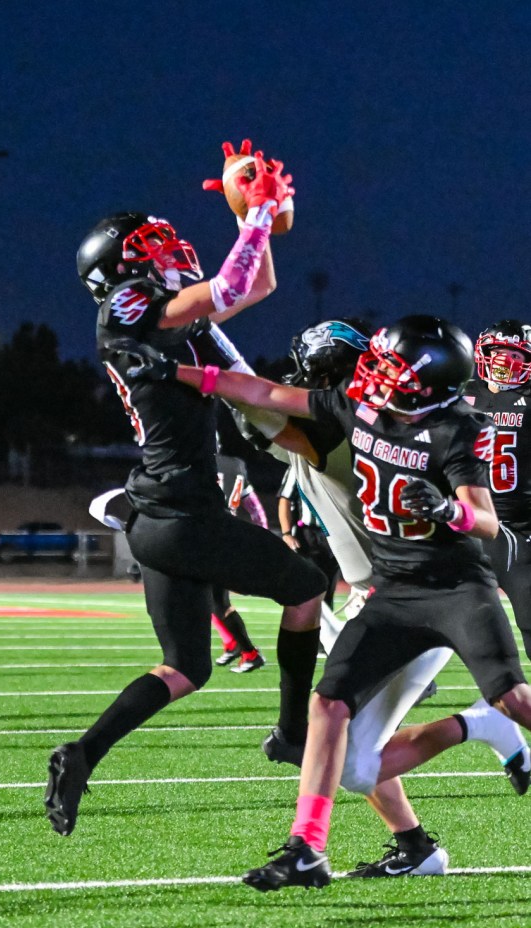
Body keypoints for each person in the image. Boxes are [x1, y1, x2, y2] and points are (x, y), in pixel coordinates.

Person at [120, 314, 531, 886]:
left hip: (452, 589)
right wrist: (182, 367)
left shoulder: (450, 429)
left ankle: (482, 733)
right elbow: (262, 392)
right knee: (332, 714)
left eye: (390, 368)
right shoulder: (354, 406)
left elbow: (484, 518)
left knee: (504, 702)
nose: (375, 376)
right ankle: (318, 849)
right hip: (388, 593)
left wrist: (446, 511)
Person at [45, 144, 329, 838]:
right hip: (183, 513)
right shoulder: (128, 305)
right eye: (152, 245)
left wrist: (258, 223)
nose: (170, 249)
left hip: (157, 515)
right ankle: (292, 733)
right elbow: (229, 291)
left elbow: (250, 287)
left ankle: (80, 754)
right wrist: (255, 213)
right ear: (119, 268)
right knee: (306, 589)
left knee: (184, 667)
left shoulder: (173, 321)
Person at [470, 321, 531, 661]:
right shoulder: (461, 395)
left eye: (517, 355)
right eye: (501, 354)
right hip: (464, 525)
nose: (508, 362)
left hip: (519, 528)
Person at [213, 446, 267, 673]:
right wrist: (262, 535)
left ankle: (249, 652)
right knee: (209, 598)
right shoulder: (236, 464)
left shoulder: (193, 461)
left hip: (208, 537)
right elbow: (254, 507)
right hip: (228, 536)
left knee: (216, 601)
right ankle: (233, 644)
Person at [278, 465, 340, 610]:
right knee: (312, 586)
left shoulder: (338, 465)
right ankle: (308, 626)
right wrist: (286, 533)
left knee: (329, 589)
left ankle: (322, 629)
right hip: (308, 535)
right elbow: (285, 499)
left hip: (335, 533)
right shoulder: (298, 467)